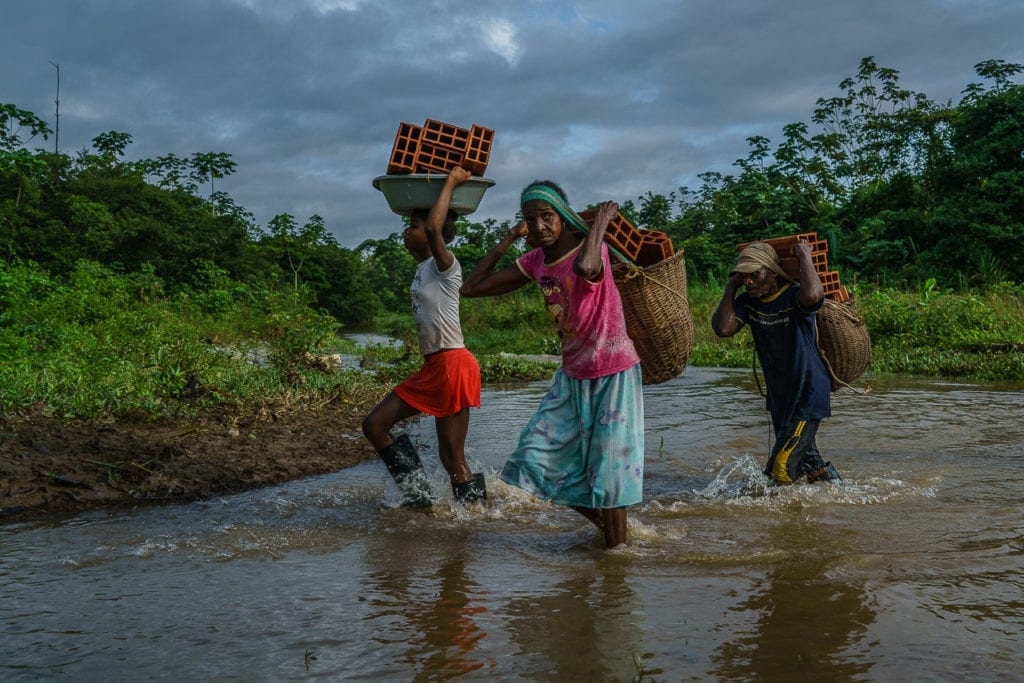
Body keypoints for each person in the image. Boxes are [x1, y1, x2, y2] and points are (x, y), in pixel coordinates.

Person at [459, 180, 645, 548]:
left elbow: (587, 266)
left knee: (608, 472)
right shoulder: (535, 260)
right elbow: (472, 287)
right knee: (532, 462)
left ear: (561, 215)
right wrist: (511, 237)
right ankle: (616, 534)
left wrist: (599, 225)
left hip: (612, 370)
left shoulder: (593, 249)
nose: (540, 226)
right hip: (573, 375)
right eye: (531, 219)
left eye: (547, 217)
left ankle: (617, 557)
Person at [362, 167, 485, 507]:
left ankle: (474, 518)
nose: (406, 232)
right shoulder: (420, 270)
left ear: (436, 235)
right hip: (434, 368)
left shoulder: (445, 266)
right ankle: (419, 499)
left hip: (453, 364)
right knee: (374, 425)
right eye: (409, 226)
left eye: (412, 227)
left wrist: (451, 181)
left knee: (452, 460)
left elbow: (433, 227)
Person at [711, 240, 842, 485]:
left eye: (755, 274)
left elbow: (814, 295)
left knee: (781, 468)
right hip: (780, 395)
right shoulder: (748, 303)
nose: (749, 281)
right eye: (744, 276)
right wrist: (731, 284)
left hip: (807, 392)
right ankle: (840, 496)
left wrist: (804, 256)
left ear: (772, 272)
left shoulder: (794, 295)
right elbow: (724, 328)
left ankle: (784, 520)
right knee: (808, 461)